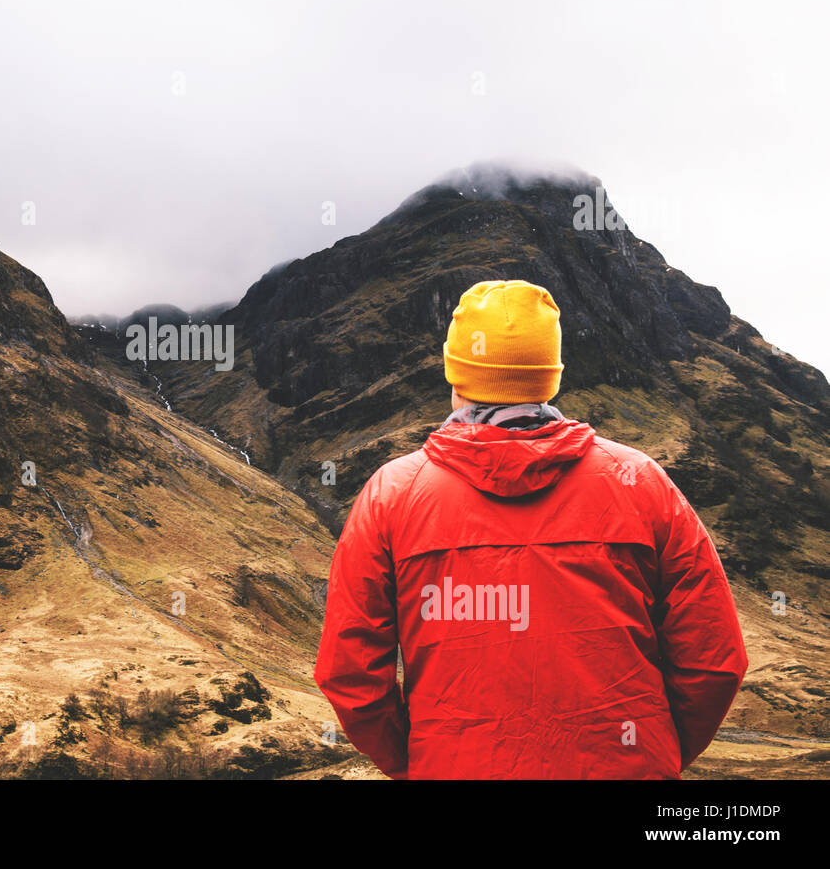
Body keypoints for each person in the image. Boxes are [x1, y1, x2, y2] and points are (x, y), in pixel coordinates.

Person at [314, 279, 747, 778]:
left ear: (458, 376)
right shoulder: (640, 480)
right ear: (550, 378)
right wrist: (653, 753)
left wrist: (422, 763)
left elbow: (350, 675)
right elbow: (715, 661)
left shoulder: (392, 493)